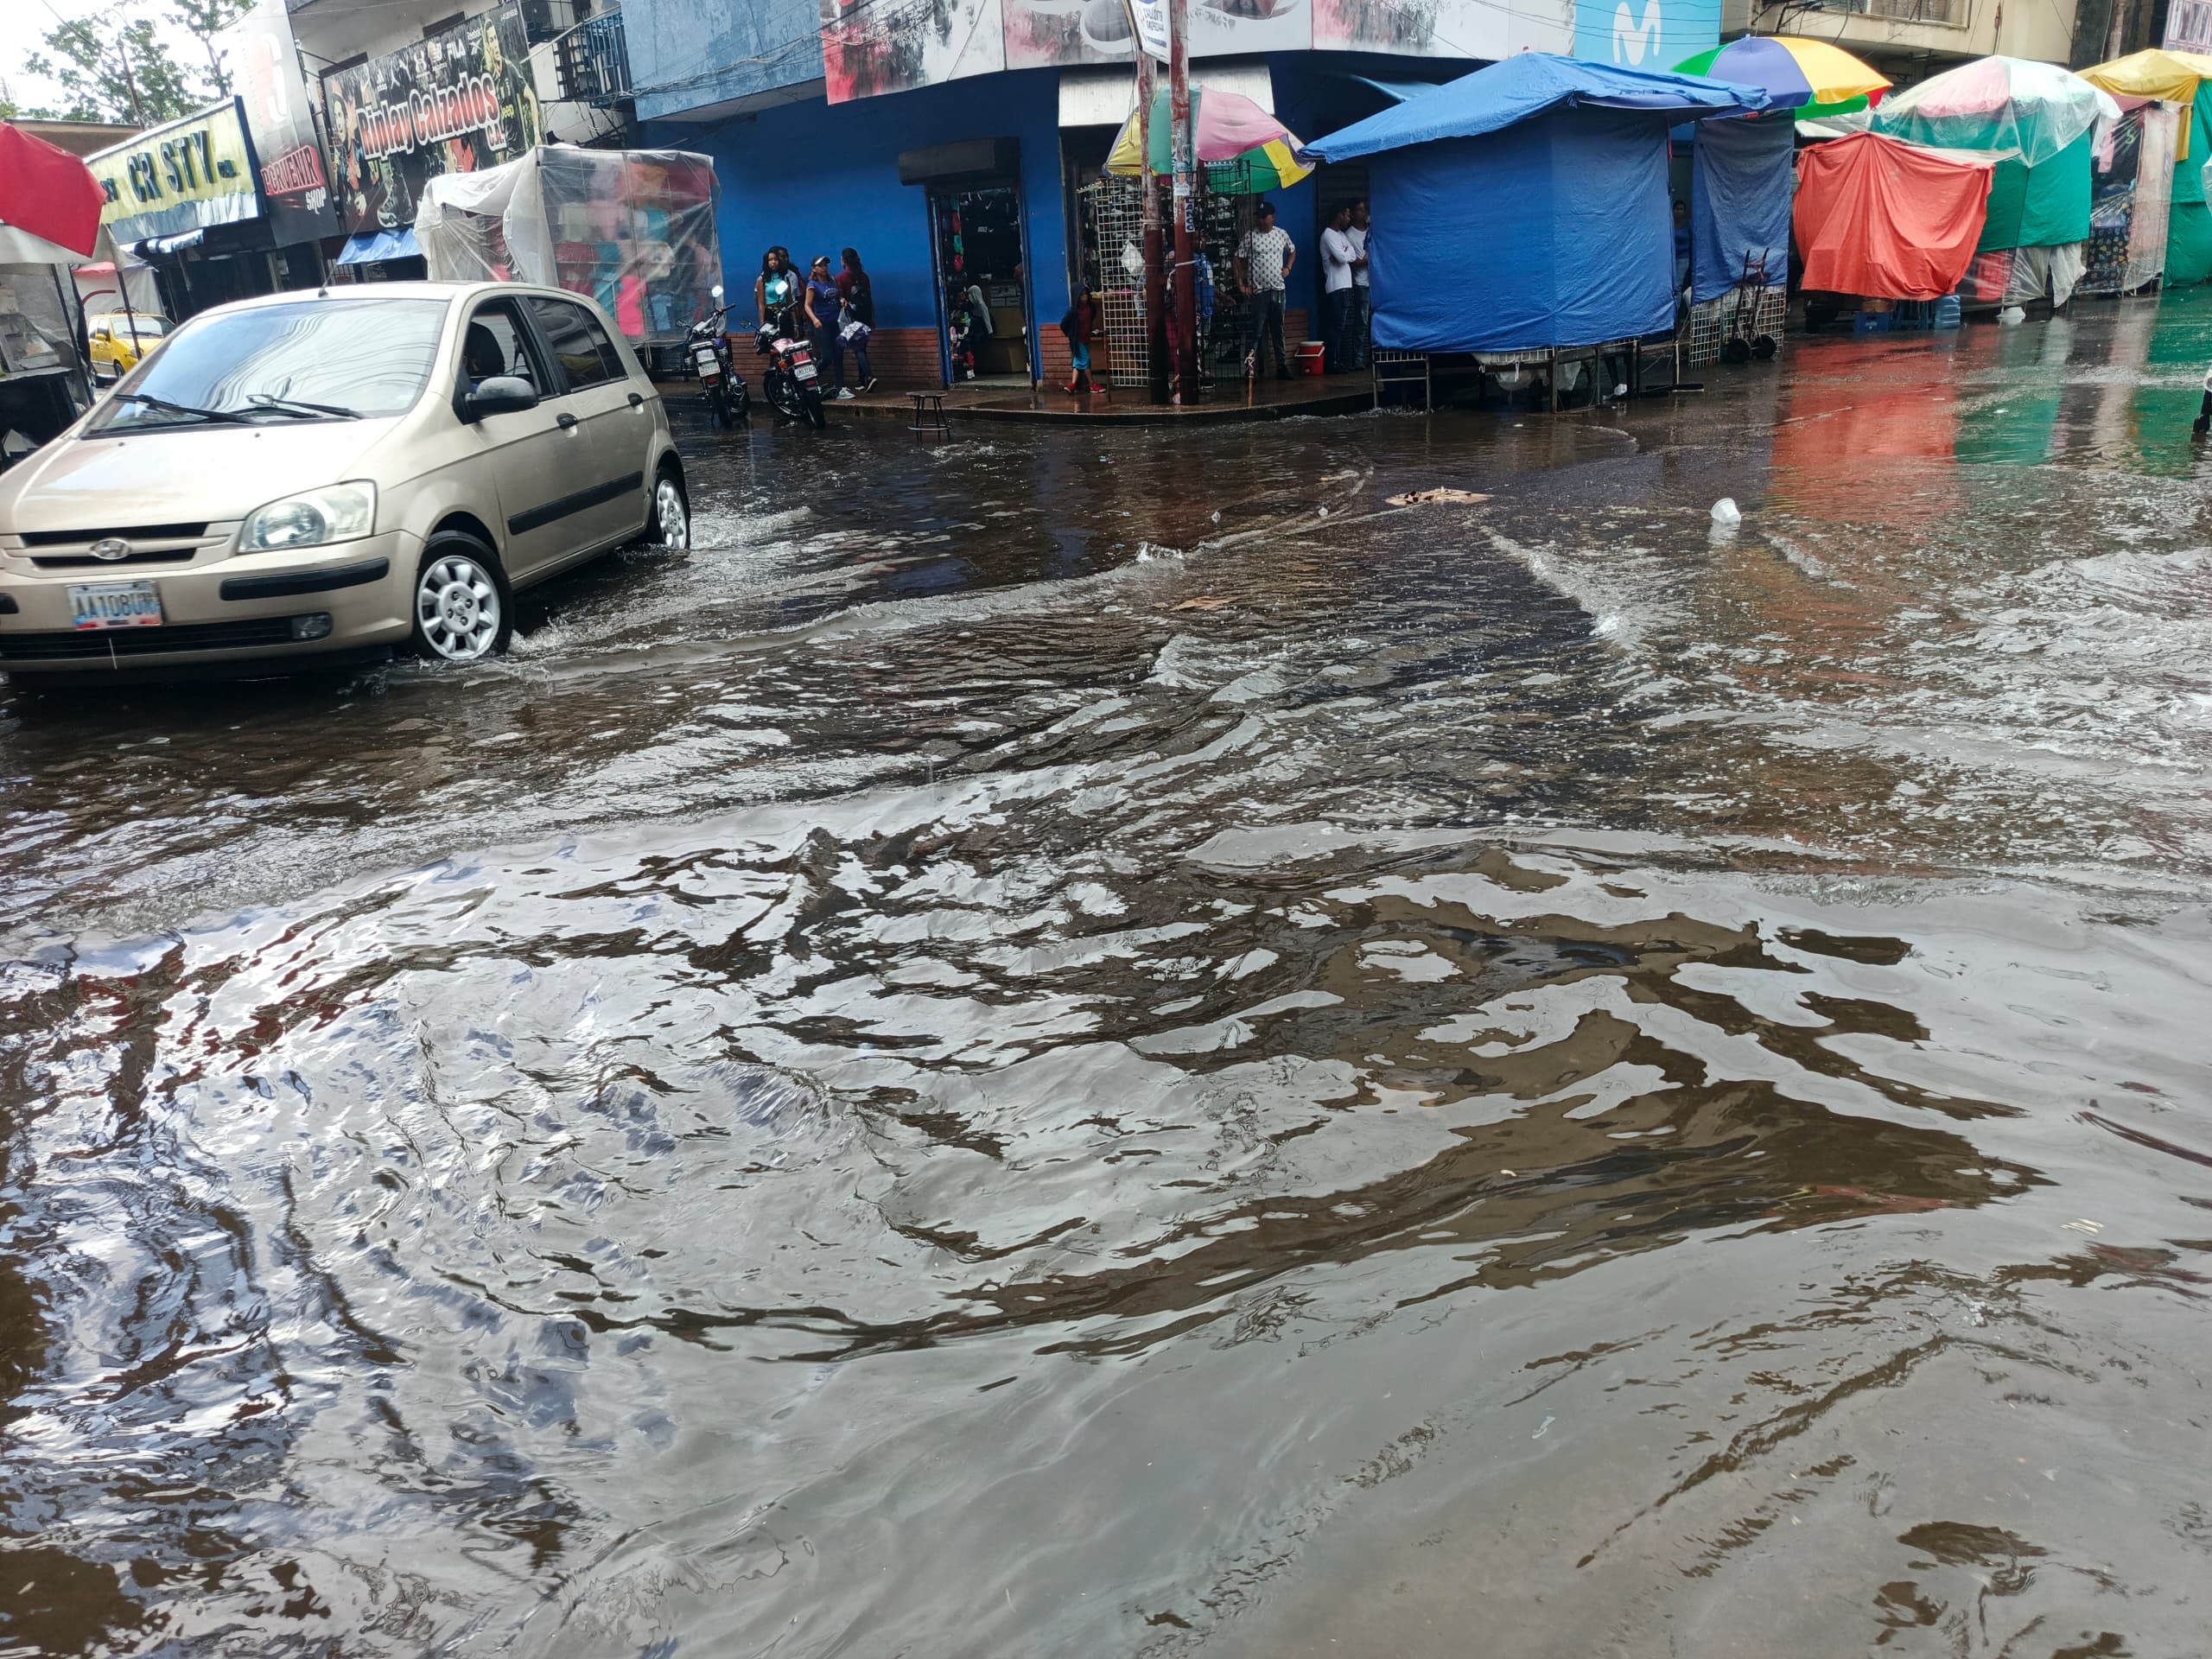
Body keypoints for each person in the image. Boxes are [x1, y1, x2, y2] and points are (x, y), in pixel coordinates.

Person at [1235, 200, 1296, 379]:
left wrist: (1288, 268)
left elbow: (1292, 251)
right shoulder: (1250, 236)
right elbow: (1237, 259)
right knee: (1256, 331)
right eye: (1259, 218)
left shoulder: (1281, 234)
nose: (1261, 221)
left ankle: (1281, 366)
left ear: (1272, 217)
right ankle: (1251, 368)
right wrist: (1241, 285)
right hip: (1259, 292)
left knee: (1278, 329)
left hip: (1277, 289)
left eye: (1264, 217)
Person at [803, 255, 850, 399]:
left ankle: (841, 387)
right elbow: (807, 305)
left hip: (836, 322)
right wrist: (815, 319)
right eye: (821, 265)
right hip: (822, 323)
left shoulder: (832, 280)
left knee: (839, 355)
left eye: (826, 265)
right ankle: (808, 380)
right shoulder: (812, 285)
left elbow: (837, 296)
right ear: (814, 269)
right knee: (827, 357)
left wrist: (842, 300)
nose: (824, 267)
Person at [1319, 203, 1357, 374]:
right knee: (1336, 326)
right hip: (1336, 287)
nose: (1349, 219)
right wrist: (1344, 254)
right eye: (1347, 215)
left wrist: (1344, 253)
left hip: (1346, 286)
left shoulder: (1341, 235)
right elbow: (1342, 258)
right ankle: (1331, 362)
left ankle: (1339, 360)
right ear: (1339, 215)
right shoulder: (1328, 235)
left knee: (1343, 326)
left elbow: (1353, 254)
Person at [836, 247, 877, 392]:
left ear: (843, 261)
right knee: (862, 347)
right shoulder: (864, 276)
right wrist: (872, 318)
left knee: (858, 349)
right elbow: (869, 298)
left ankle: (869, 376)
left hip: (851, 319)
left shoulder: (841, 278)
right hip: (864, 317)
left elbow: (839, 297)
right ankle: (863, 381)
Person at [1059, 288, 1100, 395]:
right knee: (1086, 361)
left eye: (1086, 294)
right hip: (1078, 340)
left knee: (1078, 363)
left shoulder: (1090, 307)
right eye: (1082, 295)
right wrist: (1070, 334)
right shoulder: (1073, 311)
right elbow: (1063, 324)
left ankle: (1072, 385)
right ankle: (1092, 384)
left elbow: (1091, 319)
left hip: (1086, 338)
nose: (1085, 297)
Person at [1347, 199, 1371, 372]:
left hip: (1376, 282)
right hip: (1361, 282)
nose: (1363, 213)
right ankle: (1358, 358)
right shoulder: (1349, 235)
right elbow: (1352, 262)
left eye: (1365, 209)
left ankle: (1375, 356)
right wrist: (1368, 259)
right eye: (1359, 210)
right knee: (1361, 322)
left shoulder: (1372, 230)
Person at [756, 246, 799, 335]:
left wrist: (795, 324)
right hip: (770, 313)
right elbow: (761, 304)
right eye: (770, 260)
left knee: (786, 341)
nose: (773, 262)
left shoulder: (785, 278)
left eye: (775, 259)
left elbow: (790, 301)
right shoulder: (762, 280)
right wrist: (762, 323)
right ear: (766, 262)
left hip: (784, 312)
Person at [1673, 200, 1692, 294]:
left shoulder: (1688, 225)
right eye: (1676, 209)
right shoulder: (1669, 224)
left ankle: (1676, 308)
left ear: (1684, 212)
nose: (1678, 211)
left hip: (1683, 258)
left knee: (1678, 285)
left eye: (1681, 209)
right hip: (1670, 259)